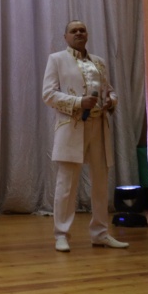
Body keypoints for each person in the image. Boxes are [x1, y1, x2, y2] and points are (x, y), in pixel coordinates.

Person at [42, 20, 129, 252]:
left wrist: (111, 101)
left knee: (100, 182)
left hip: (99, 126)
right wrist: (79, 102)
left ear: (87, 35)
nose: (79, 33)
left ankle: (100, 233)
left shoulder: (98, 62)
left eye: (82, 30)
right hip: (72, 127)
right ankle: (61, 234)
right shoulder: (57, 59)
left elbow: (110, 91)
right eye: (74, 31)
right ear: (65, 36)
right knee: (66, 184)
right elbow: (48, 94)